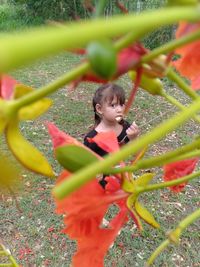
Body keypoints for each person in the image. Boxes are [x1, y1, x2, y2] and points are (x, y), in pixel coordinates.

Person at [84, 83, 140, 187]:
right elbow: (85, 165)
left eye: (121, 104)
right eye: (113, 105)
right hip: (101, 184)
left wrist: (134, 138)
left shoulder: (125, 127)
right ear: (100, 109)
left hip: (123, 180)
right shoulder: (92, 138)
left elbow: (137, 155)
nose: (119, 109)